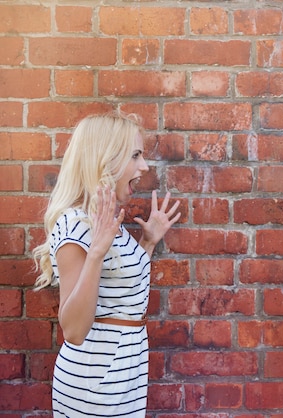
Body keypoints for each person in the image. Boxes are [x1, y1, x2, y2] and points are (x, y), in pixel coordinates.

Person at [33, 112, 181, 417]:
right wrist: (97, 251)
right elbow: (73, 329)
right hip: (96, 380)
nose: (145, 166)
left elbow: (122, 295)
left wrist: (148, 242)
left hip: (125, 371)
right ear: (106, 159)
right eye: (135, 155)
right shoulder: (75, 224)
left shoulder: (102, 220)